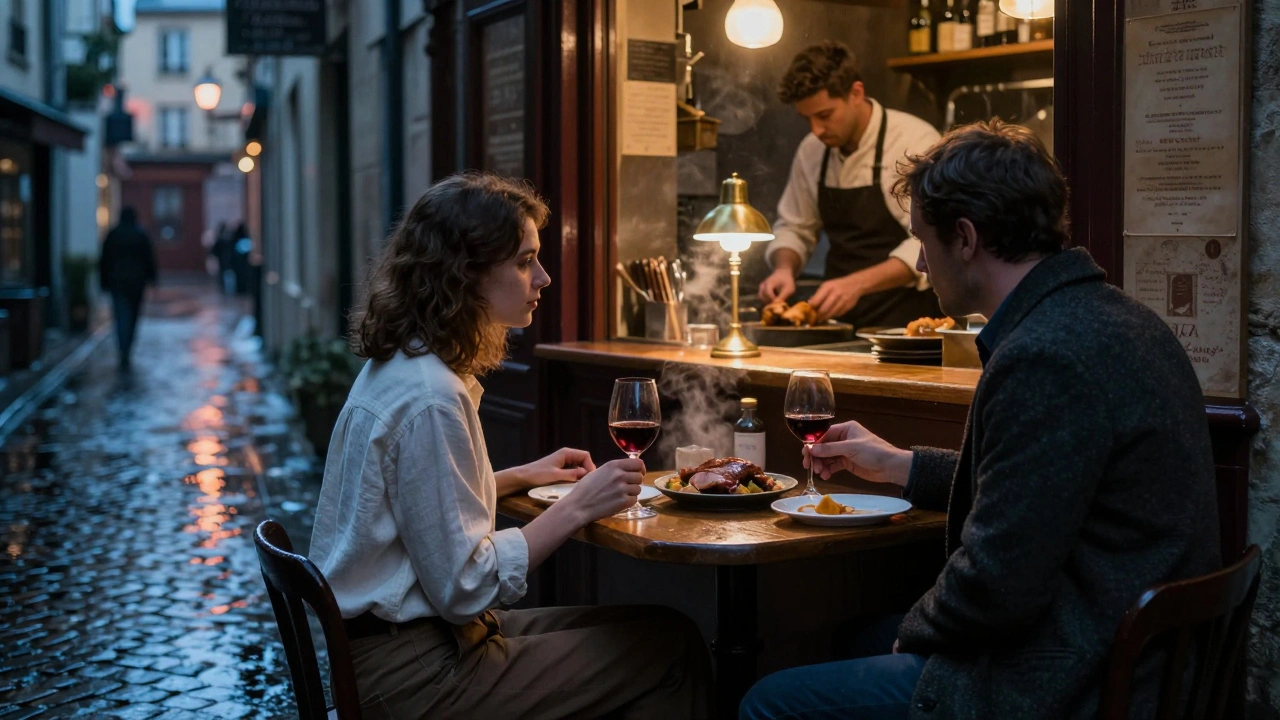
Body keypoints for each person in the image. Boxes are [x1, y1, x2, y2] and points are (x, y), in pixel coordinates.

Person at [739, 120, 1221, 719]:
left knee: (768, 702)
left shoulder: (1046, 355)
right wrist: (900, 466)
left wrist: (913, 635)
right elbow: (1037, 490)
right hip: (1123, 642)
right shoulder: (1113, 318)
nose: (920, 263)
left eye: (923, 241)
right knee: (853, 637)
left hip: (1071, 676)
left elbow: (998, 585)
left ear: (965, 238)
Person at [309, 172, 711, 719]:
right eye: (525, 262)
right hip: (415, 674)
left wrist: (520, 476)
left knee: (660, 628)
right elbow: (464, 586)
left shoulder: (403, 366)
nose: (543, 277)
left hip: (396, 650)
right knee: (670, 651)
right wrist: (579, 506)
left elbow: (415, 510)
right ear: (465, 273)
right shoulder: (432, 396)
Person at [758, 41, 942, 328]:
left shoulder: (914, 142)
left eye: (824, 116)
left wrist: (857, 284)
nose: (816, 130)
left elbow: (932, 240)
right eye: (807, 119)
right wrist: (784, 268)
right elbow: (795, 226)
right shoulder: (811, 150)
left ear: (856, 93)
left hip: (908, 321)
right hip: (838, 319)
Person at [99, 206, 158, 369]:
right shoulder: (140, 235)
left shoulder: (113, 235)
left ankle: (123, 348)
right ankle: (127, 347)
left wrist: (103, 282)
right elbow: (149, 258)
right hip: (136, 283)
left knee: (121, 316)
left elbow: (104, 260)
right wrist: (152, 279)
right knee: (132, 317)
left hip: (117, 283)